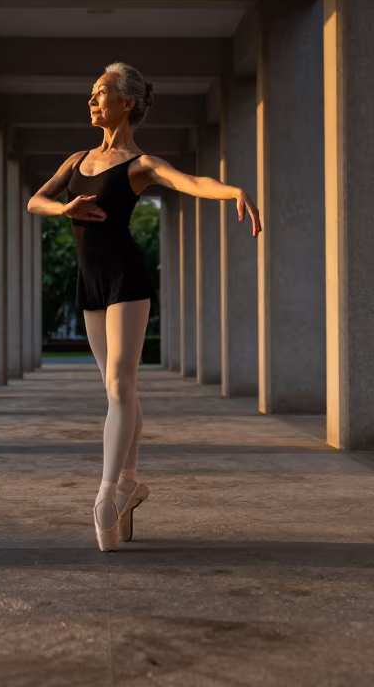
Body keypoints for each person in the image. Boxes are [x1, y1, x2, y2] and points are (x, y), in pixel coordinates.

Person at [26, 62, 262, 551]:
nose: (91, 101)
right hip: (89, 283)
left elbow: (191, 182)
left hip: (127, 281)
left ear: (126, 102)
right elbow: (35, 201)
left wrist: (234, 190)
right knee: (118, 390)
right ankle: (131, 483)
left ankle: (107, 497)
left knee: (119, 383)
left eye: (100, 93)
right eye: (91, 94)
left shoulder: (140, 165)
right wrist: (64, 209)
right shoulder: (76, 160)